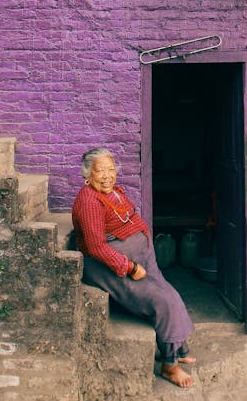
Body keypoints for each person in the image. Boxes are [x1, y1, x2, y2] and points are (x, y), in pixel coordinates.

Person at [72, 147, 195, 388]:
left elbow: (130, 216)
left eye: (111, 169)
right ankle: (169, 367)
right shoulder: (89, 201)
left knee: (171, 293)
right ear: (88, 175)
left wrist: (144, 241)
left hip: (141, 259)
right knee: (163, 301)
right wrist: (128, 266)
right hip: (110, 267)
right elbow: (96, 247)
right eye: (100, 171)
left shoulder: (113, 192)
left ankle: (175, 347)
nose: (107, 175)